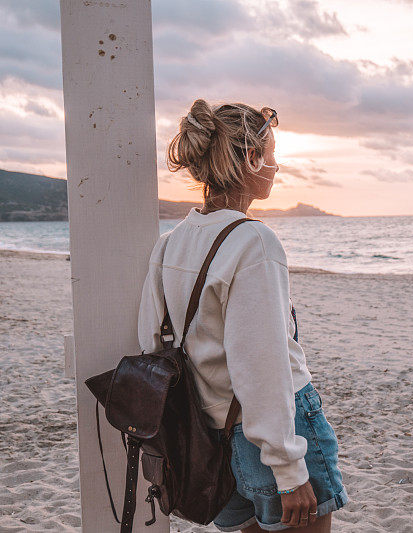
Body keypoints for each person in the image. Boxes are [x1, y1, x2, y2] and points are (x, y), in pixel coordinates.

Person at [137, 99, 348, 532]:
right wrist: (288, 470)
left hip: (209, 430)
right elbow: (262, 364)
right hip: (271, 431)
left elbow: (152, 344)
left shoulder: (170, 243)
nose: (276, 165)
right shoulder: (254, 241)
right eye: (269, 155)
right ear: (251, 158)